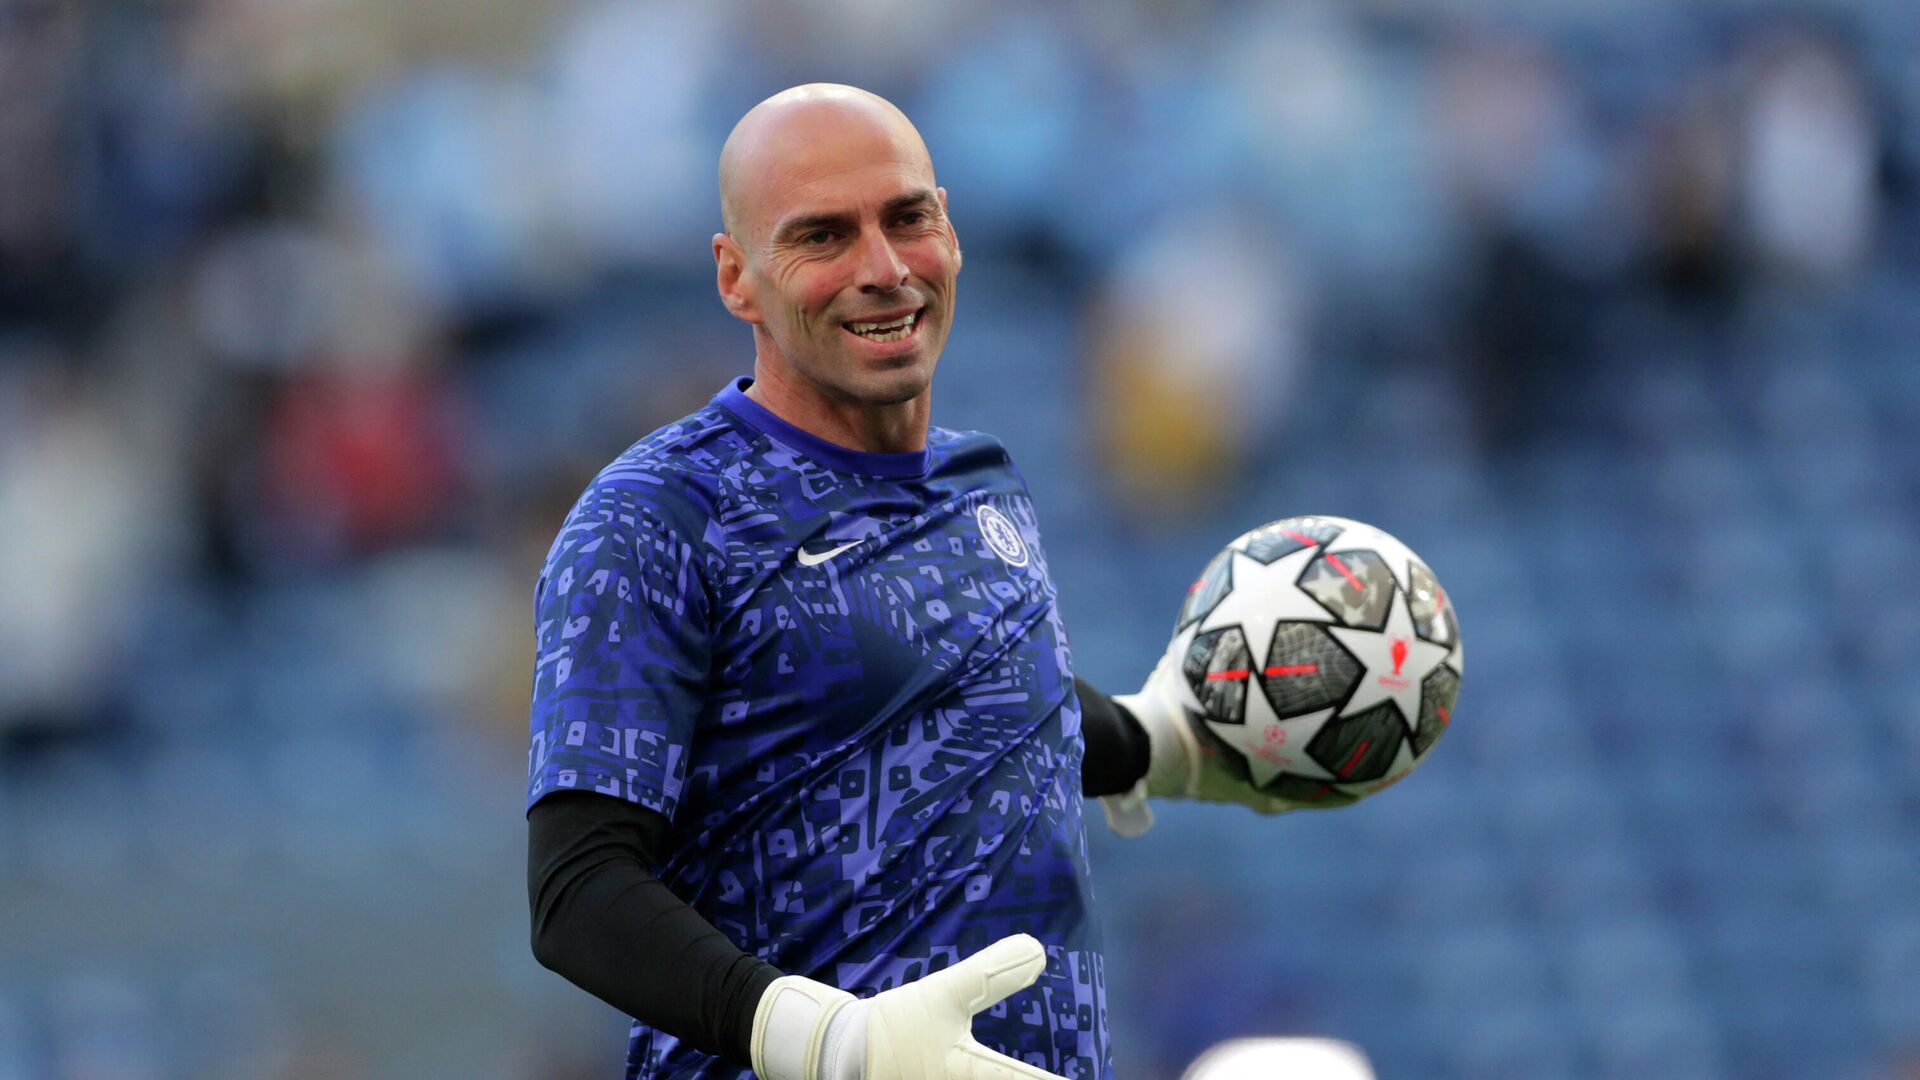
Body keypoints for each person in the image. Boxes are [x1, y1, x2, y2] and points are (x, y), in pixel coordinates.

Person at [524, 83, 1271, 1080]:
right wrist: (831, 1041)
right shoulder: (659, 514)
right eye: (823, 236)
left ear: (949, 231)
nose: (882, 269)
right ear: (737, 278)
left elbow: (969, 693)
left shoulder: (981, 480)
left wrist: (1161, 740)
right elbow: (577, 891)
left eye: (907, 219)